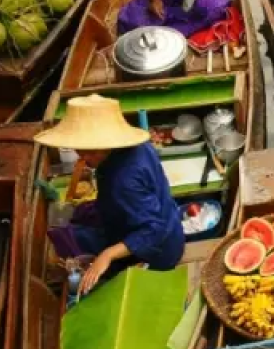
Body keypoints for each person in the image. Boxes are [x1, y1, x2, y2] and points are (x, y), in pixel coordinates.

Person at [36, 95, 186, 295]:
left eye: (88, 152)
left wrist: (107, 256)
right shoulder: (139, 146)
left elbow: (153, 231)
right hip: (165, 221)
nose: (83, 157)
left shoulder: (123, 182)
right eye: (80, 151)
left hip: (158, 249)